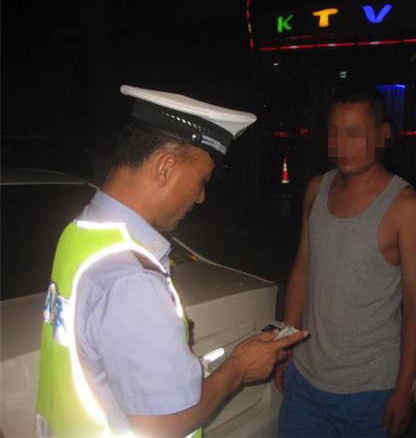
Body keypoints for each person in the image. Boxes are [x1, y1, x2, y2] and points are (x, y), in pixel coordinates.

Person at [35, 85, 308, 438]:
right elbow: (163, 426)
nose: (201, 196)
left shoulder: (80, 232)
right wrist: (239, 369)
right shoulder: (133, 278)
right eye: (202, 180)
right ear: (165, 167)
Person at [276, 85, 416, 437]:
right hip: (306, 381)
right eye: (334, 132)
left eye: (354, 133)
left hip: (372, 390)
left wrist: (405, 389)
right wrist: (284, 346)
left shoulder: (407, 207)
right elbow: (302, 270)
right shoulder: (316, 189)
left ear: (383, 133)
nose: (341, 145)